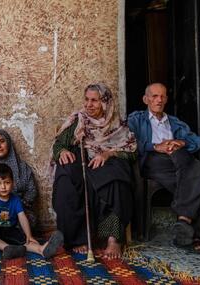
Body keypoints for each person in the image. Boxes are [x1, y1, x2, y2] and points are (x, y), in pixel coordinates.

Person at [52, 83, 137, 259]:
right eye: (87, 100)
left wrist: (108, 154)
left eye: (94, 101)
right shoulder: (79, 120)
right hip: (83, 159)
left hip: (108, 161)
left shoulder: (117, 124)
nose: (88, 105)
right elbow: (59, 143)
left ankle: (114, 239)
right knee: (66, 179)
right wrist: (63, 151)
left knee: (117, 180)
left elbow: (132, 152)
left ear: (105, 103)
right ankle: (78, 238)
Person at [128, 83, 200, 254]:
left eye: (162, 97)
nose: (158, 100)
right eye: (154, 96)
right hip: (153, 162)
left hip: (178, 162)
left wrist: (183, 142)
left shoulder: (174, 122)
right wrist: (155, 146)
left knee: (189, 170)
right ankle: (193, 233)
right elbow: (128, 143)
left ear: (166, 99)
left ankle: (184, 226)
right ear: (146, 99)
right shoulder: (136, 119)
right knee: (198, 174)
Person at [0, 163, 64, 259]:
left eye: (7, 182)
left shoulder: (15, 200)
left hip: (10, 230)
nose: (3, 187)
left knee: (25, 240)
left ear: (13, 183)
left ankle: (41, 249)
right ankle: (6, 248)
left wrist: (29, 235)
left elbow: (22, 217)